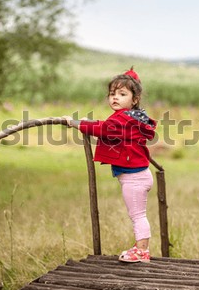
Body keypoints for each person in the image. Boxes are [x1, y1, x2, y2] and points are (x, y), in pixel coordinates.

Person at [63, 67, 157, 263]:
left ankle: (142, 251)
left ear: (135, 99)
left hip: (135, 178)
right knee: (138, 214)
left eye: (122, 94)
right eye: (112, 94)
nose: (115, 98)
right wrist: (87, 122)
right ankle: (141, 249)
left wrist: (75, 123)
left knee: (138, 216)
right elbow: (106, 125)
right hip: (138, 175)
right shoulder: (129, 117)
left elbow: (104, 130)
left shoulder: (123, 118)